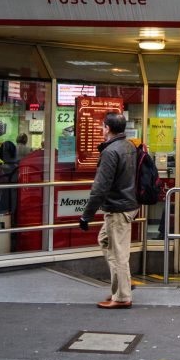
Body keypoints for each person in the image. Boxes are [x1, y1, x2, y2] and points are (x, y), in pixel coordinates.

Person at [79, 112, 138, 309]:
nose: (101, 130)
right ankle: (124, 282)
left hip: (118, 209)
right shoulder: (129, 146)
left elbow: (100, 188)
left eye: (102, 127)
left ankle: (122, 297)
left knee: (118, 254)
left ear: (107, 128)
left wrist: (86, 215)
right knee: (105, 240)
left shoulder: (111, 152)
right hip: (129, 204)